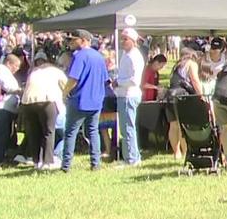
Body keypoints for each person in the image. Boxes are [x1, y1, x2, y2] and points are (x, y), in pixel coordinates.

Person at [62, 30, 109, 172]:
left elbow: (73, 79)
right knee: (93, 131)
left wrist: (64, 93)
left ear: (83, 40)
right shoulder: (99, 57)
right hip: (96, 101)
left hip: (79, 100)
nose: (70, 42)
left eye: (73, 40)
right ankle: (96, 163)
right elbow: (106, 80)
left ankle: (66, 166)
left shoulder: (79, 56)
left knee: (71, 132)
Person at [21, 55, 68, 171]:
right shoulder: (57, 72)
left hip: (27, 102)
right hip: (47, 101)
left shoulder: (34, 72)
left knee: (33, 132)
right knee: (48, 131)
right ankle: (47, 161)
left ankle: (36, 161)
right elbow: (66, 87)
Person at [166, 48, 204, 163]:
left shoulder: (177, 66)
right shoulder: (191, 64)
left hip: (170, 95)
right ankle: (185, 150)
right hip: (182, 97)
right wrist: (201, 95)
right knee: (183, 124)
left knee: (173, 125)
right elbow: (195, 80)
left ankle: (176, 152)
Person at [114, 28, 145, 167]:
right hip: (122, 94)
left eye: (125, 39)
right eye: (122, 38)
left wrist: (118, 82)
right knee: (125, 127)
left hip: (129, 94)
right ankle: (130, 156)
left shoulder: (134, 56)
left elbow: (134, 80)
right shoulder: (125, 55)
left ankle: (132, 159)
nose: (123, 41)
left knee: (128, 128)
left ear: (133, 41)